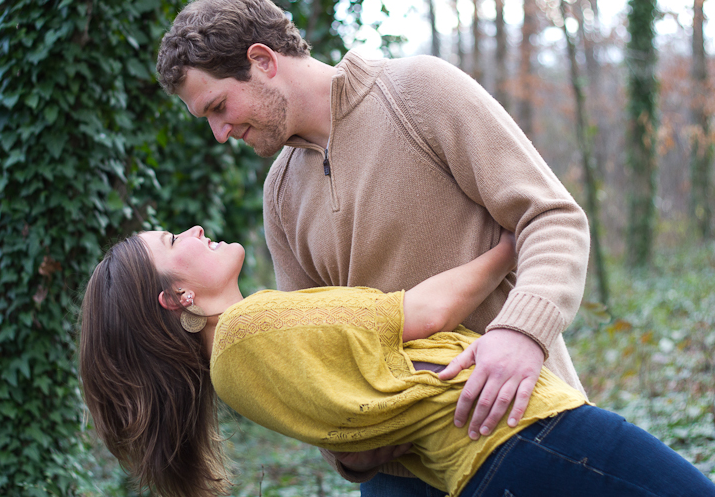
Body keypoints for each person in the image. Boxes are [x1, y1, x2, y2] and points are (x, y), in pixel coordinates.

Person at [155, 0, 592, 493]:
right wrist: (351, 451)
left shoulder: (419, 91)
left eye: (218, 106)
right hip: (401, 478)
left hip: (519, 423)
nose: (219, 132)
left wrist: (522, 333)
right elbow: (313, 359)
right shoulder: (279, 194)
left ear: (262, 61)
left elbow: (551, 217)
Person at [78, 226, 715, 497]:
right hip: (521, 431)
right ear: (177, 298)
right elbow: (425, 311)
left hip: (478, 469)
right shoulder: (253, 325)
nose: (193, 232)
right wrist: (511, 242)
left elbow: (365, 432)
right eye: (174, 241)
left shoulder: (234, 374)